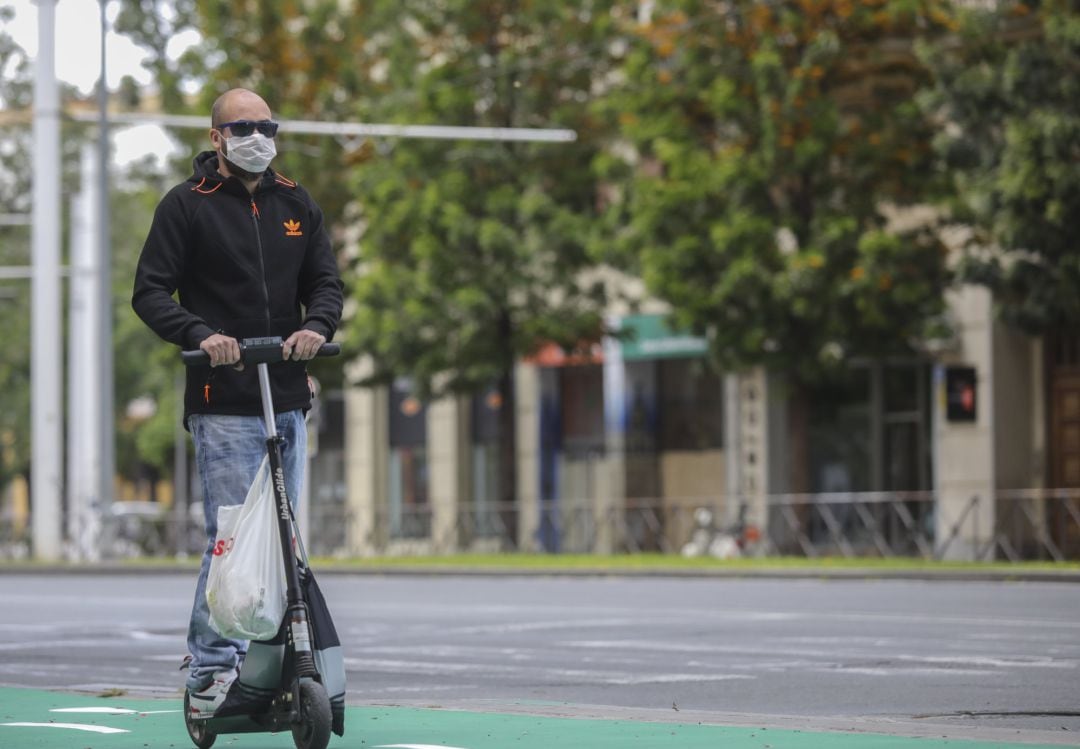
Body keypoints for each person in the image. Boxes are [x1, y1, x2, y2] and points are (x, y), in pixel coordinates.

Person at [132, 88, 343, 715]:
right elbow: (150, 293)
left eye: (267, 125)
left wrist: (318, 329)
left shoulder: (295, 201)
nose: (258, 135)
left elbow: (325, 281)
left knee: (283, 538)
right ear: (218, 136)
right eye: (243, 126)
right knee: (232, 536)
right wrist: (202, 336)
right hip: (221, 397)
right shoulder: (185, 207)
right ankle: (208, 669)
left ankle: (279, 663)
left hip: (285, 391)